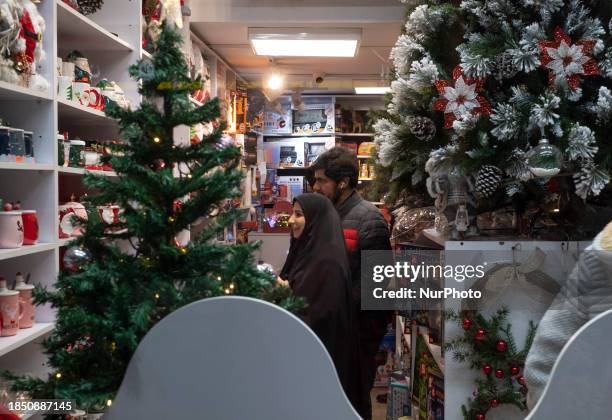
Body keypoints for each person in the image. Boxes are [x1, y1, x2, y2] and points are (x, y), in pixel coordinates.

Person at [310, 146, 392, 420]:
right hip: (331, 329)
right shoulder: (325, 215)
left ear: (343, 182)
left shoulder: (370, 220)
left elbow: (376, 286)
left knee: (353, 403)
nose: (315, 186)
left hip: (356, 334)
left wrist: (358, 333)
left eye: (322, 180)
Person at [279, 193, 355, 402]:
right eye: (291, 214)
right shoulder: (306, 251)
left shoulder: (327, 263)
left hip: (319, 364)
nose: (291, 220)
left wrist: (286, 293)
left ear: (315, 220)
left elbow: (320, 316)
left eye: (298, 214)